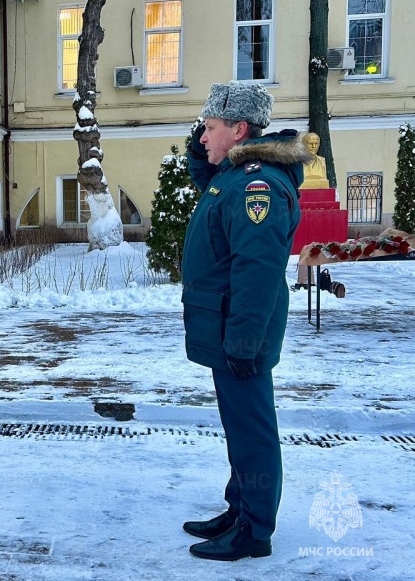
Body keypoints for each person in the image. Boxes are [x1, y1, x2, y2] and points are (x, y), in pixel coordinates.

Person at [181, 82, 310, 561]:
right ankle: (240, 509)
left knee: (252, 429)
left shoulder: (258, 185)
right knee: (239, 426)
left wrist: (242, 341)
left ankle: (254, 530)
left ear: (239, 130)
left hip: (241, 332)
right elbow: (209, 181)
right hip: (228, 327)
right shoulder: (234, 177)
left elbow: (256, 270)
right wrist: (202, 149)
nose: (203, 137)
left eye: (211, 129)